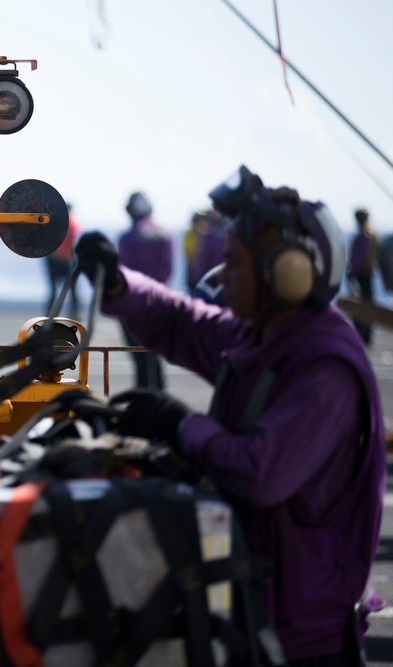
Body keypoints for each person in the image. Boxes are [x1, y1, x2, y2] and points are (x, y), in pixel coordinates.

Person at [75, 165, 386, 666]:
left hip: (303, 638)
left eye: (236, 263)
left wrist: (180, 424)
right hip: (255, 610)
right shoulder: (262, 334)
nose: (221, 275)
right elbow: (184, 321)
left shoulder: (323, 367)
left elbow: (261, 473)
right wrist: (117, 284)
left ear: (286, 275)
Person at [117, 191, 173, 389]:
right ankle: (159, 393)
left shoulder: (128, 237)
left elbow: (124, 271)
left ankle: (143, 395)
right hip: (159, 300)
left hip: (133, 303)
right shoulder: (164, 234)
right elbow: (167, 268)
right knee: (155, 354)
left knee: (138, 355)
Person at [346, 207, 387, 346]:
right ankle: (366, 335)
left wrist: (350, 272)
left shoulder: (364, 235)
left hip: (361, 275)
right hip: (367, 274)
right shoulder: (372, 234)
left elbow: (358, 258)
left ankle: (363, 335)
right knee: (368, 303)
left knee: (360, 306)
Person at [44, 203, 81, 314]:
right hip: (64, 260)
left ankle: (49, 316)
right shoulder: (73, 223)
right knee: (71, 291)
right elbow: (73, 243)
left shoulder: (54, 220)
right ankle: (74, 316)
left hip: (54, 259)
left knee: (54, 291)